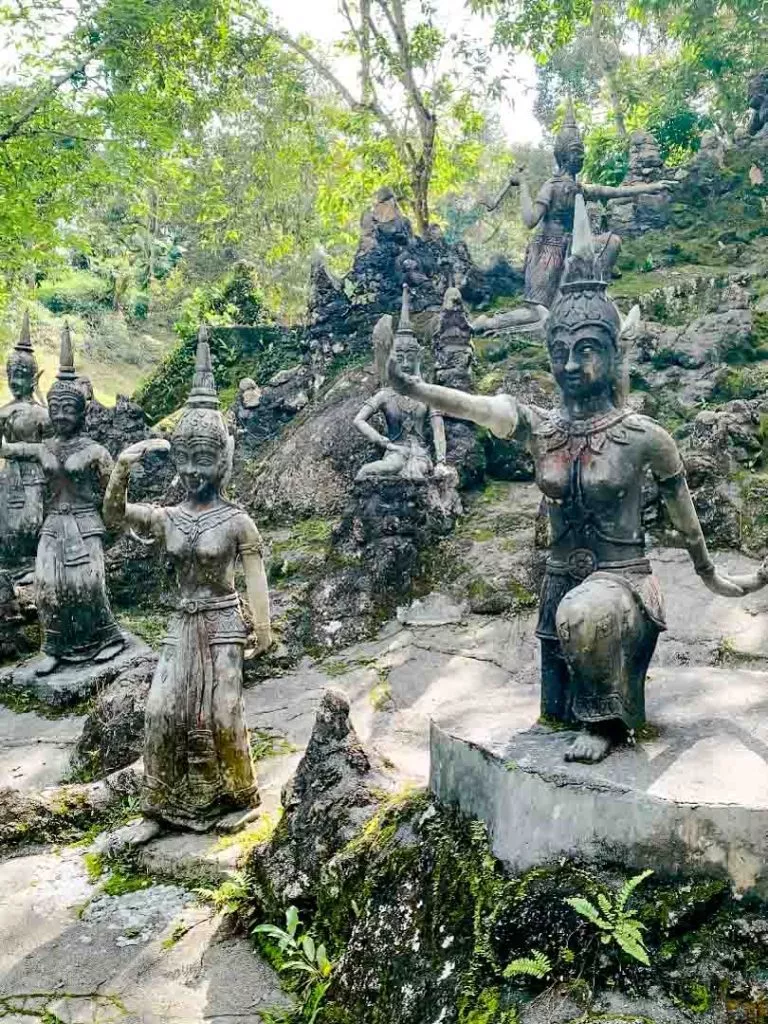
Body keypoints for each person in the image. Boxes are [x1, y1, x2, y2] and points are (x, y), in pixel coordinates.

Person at [388, 195, 760, 763]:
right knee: (554, 698)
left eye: (585, 350)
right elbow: (477, 407)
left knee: (583, 617)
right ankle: (580, 707)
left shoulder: (644, 438)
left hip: (621, 588)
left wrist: (722, 581)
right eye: (559, 351)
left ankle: (608, 724)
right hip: (560, 582)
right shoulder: (543, 427)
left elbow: (689, 531)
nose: (568, 364)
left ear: (613, 356)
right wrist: (414, 390)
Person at [103, 327, 272, 830]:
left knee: (221, 714)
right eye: (186, 459)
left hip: (222, 621)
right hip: (181, 625)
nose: (195, 470)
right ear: (176, 460)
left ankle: (240, 797)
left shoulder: (238, 520)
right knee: (160, 712)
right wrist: (120, 472)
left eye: (205, 459)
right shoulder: (166, 517)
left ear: (223, 459)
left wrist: (262, 629)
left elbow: (255, 575)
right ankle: (159, 805)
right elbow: (114, 517)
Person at [2, 324, 124, 675]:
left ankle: (107, 639)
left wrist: (118, 519)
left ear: (82, 412)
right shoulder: (43, 447)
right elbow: (9, 448)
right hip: (52, 524)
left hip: (86, 523)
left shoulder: (96, 451)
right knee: (47, 585)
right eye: (54, 408)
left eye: (67, 409)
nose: (59, 415)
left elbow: (113, 492)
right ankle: (54, 647)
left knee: (87, 584)